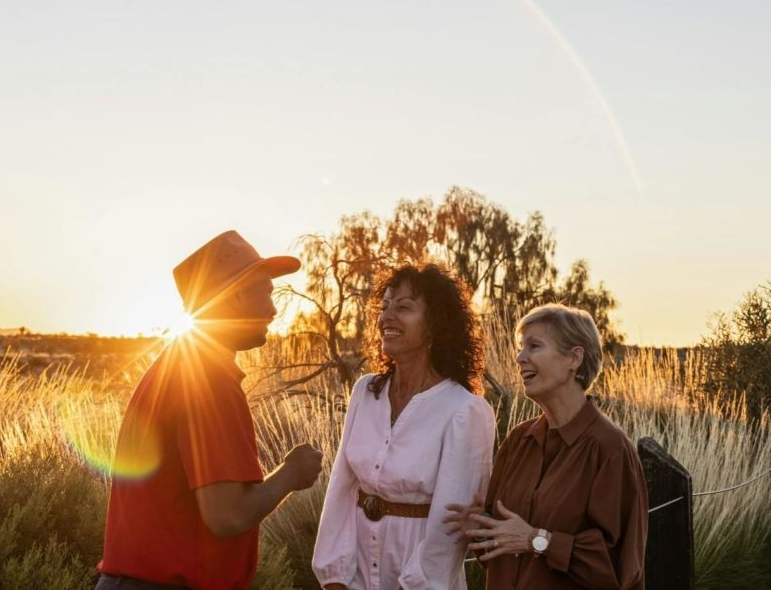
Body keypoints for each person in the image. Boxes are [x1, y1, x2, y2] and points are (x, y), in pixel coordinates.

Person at [97, 230, 323, 590]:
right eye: (264, 293)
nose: (273, 309)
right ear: (232, 298)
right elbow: (227, 515)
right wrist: (290, 475)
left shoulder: (180, 367)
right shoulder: (208, 381)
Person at [312, 262, 496, 590]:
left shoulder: (465, 411)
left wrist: (415, 584)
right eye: (384, 307)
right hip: (355, 575)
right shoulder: (365, 392)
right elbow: (341, 488)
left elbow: (449, 528)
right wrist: (334, 577)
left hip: (421, 581)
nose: (387, 317)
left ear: (436, 324)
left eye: (404, 307)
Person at [446, 304, 648, 590]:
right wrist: (480, 527)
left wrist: (536, 540)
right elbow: (495, 553)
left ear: (574, 358)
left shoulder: (611, 449)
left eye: (534, 346)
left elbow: (620, 569)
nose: (520, 357)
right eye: (521, 347)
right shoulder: (518, 441)